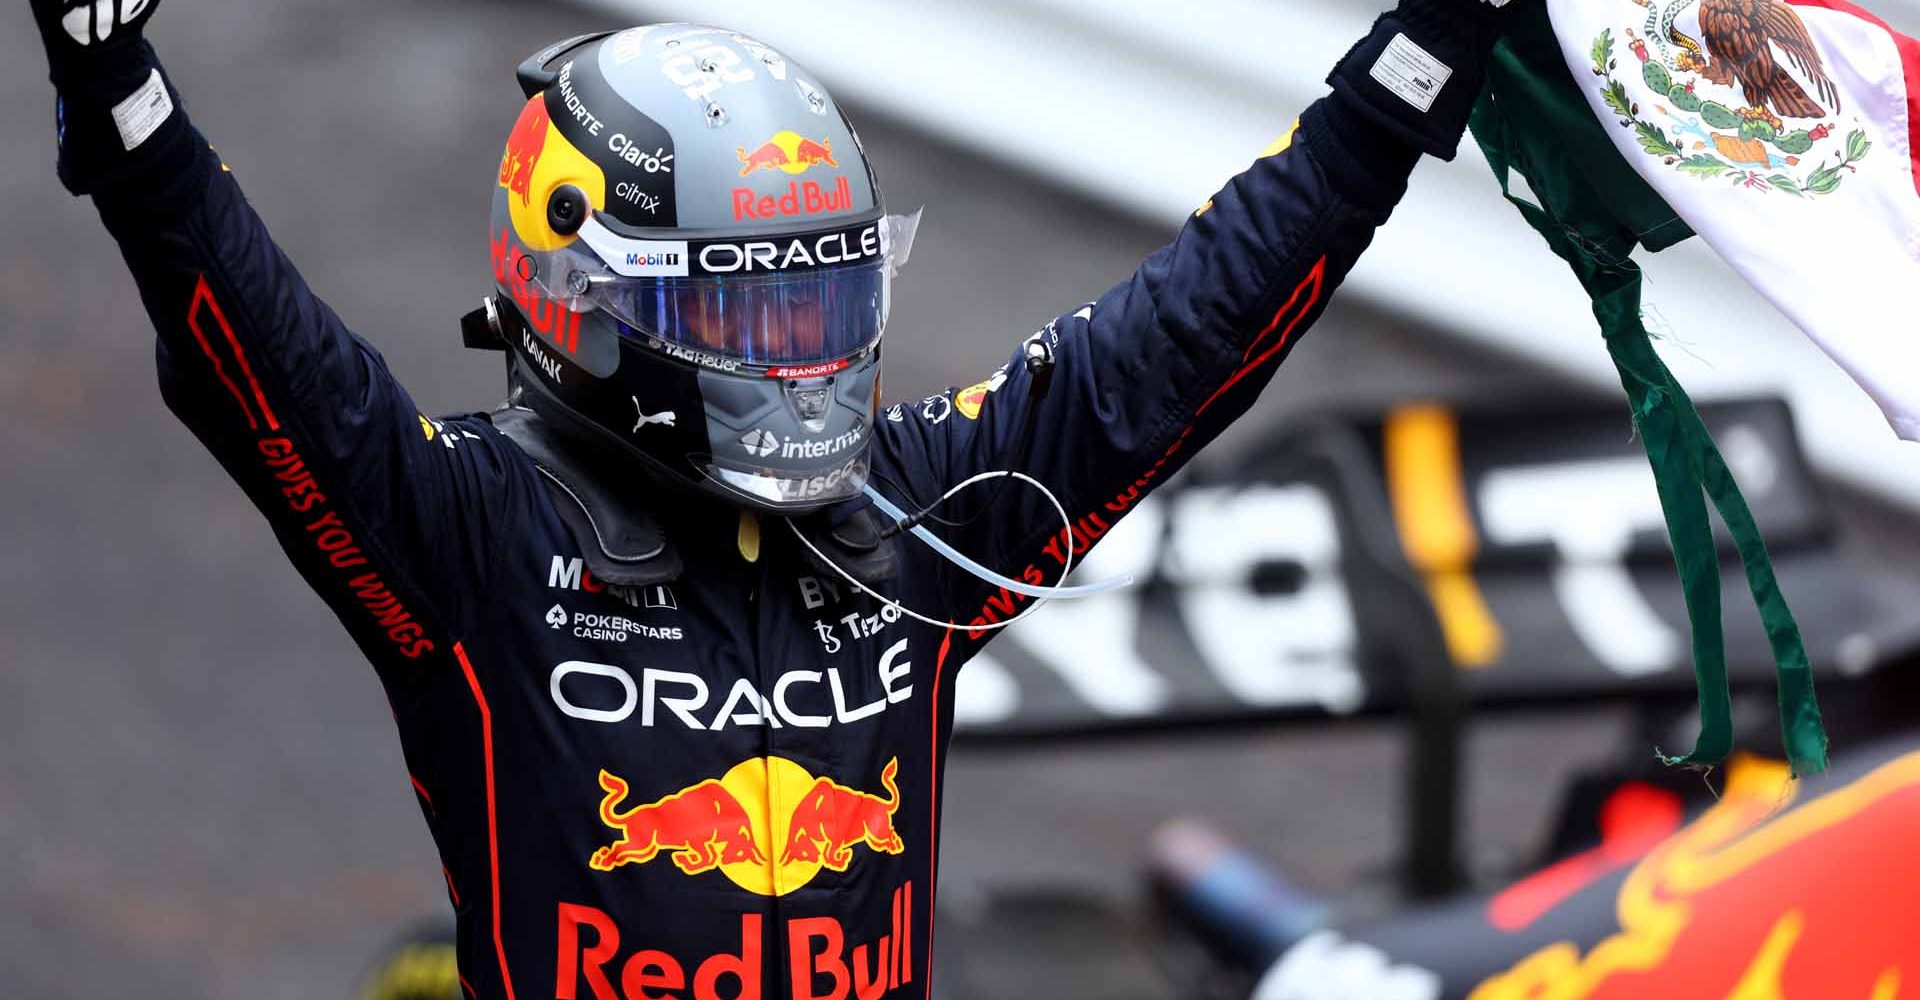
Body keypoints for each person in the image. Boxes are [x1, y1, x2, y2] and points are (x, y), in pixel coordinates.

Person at [30, 1, 1514, 998]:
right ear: (583, 305)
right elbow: (259, 361)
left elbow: (1187, 333)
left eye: (823, 309)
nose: (800, 364)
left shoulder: (918, 518)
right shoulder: (473, 544)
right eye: (751, 320)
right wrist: (122, 96)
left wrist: (1404, 77)